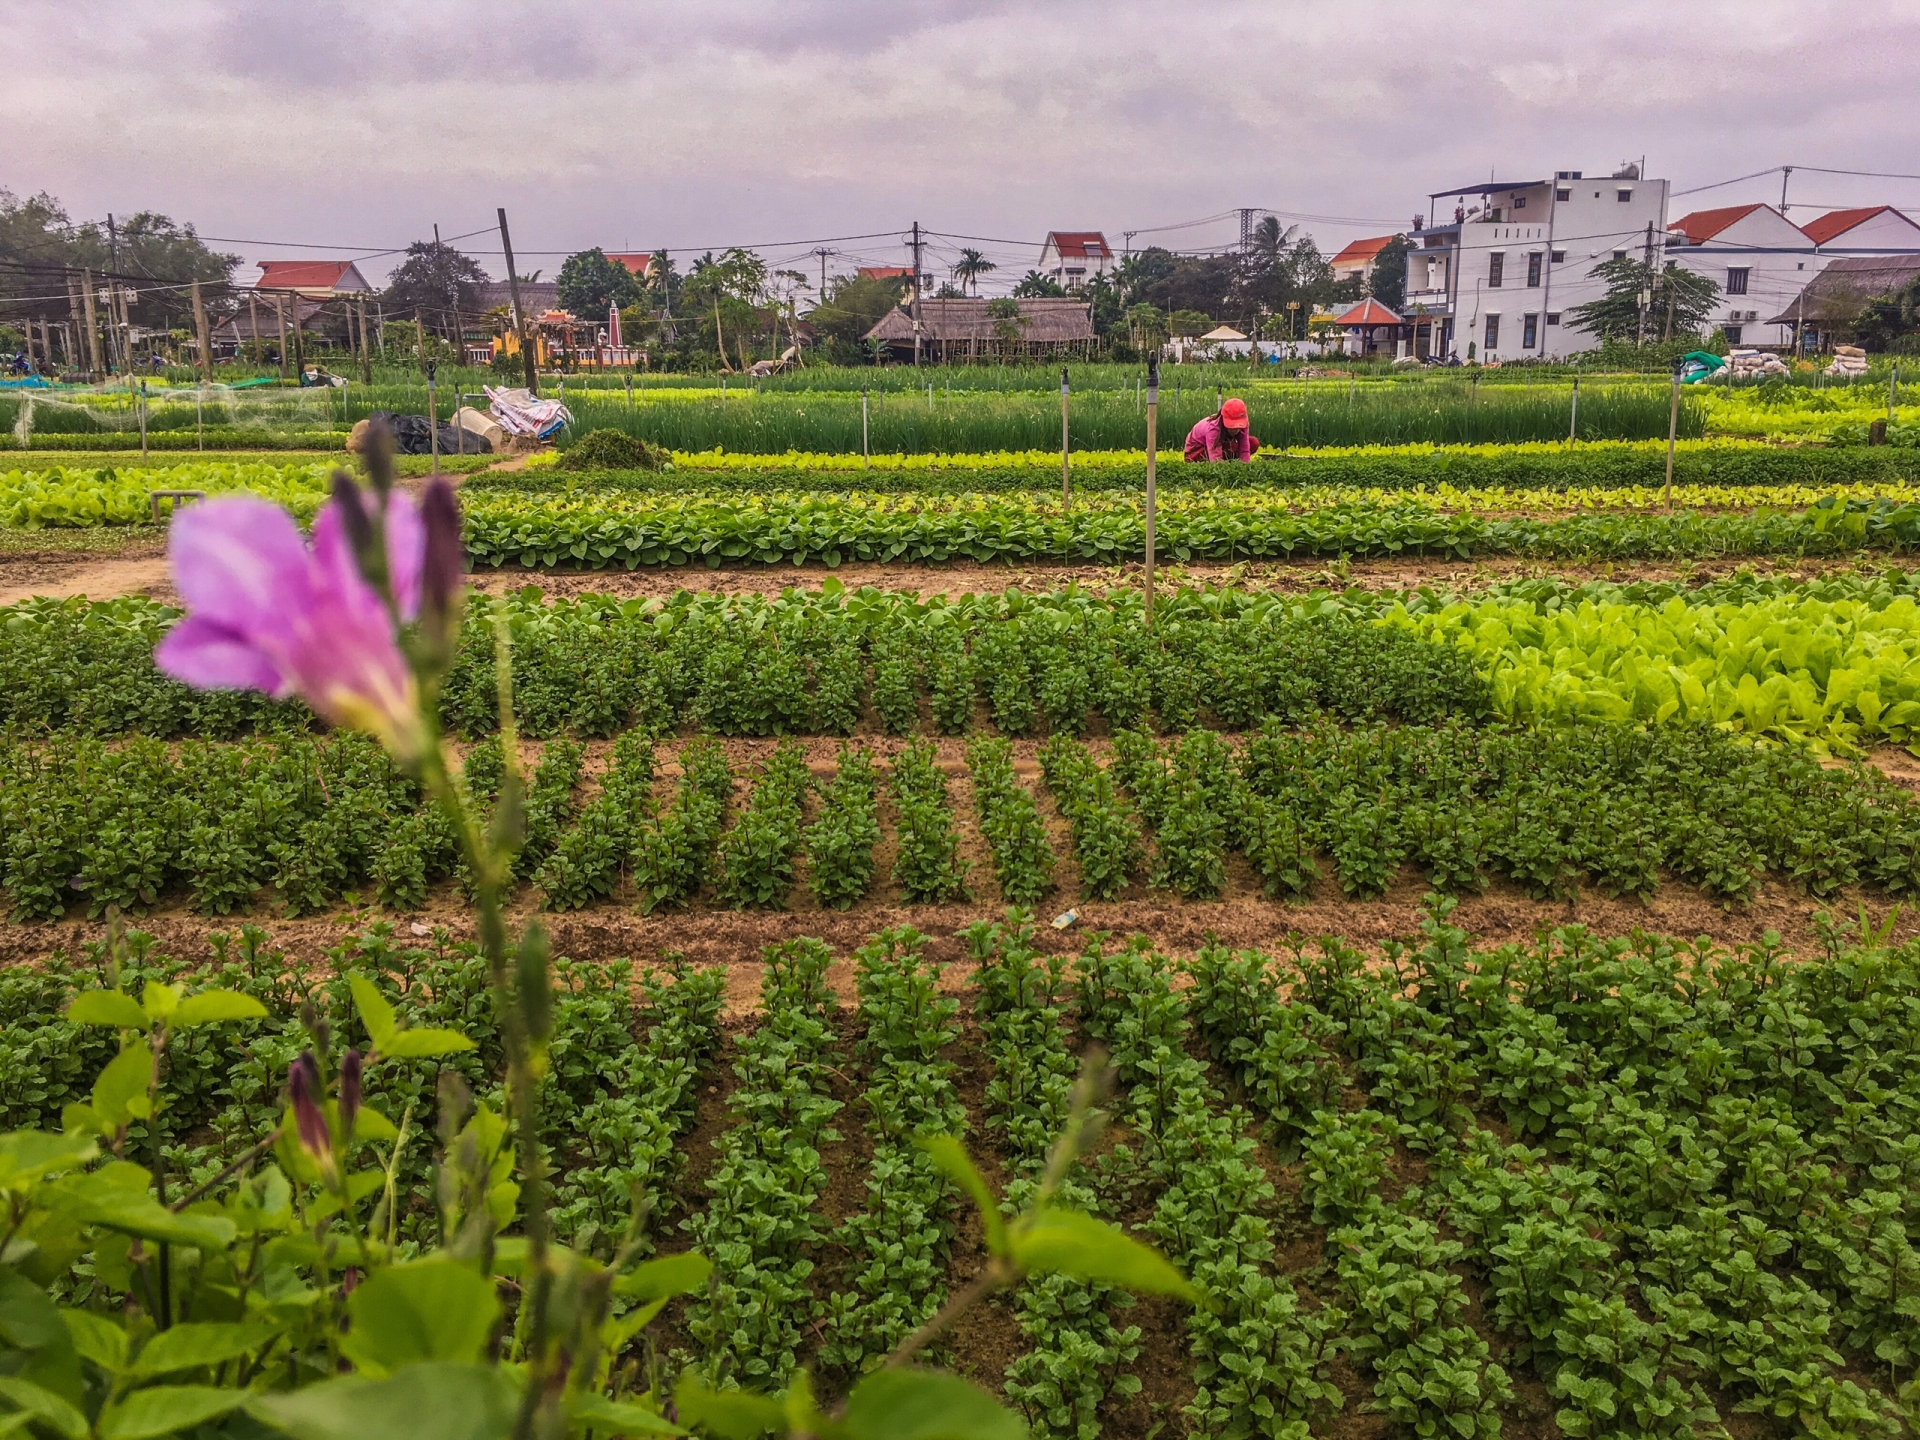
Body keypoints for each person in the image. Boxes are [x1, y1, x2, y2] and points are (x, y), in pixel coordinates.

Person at [1184, 396, 1260, 461]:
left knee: (1253, 443)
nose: (1235, 430)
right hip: (1195, 454)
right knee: (1231, 447)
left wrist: (1245, 468)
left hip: (1220, 448)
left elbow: (1244, 450)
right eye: (1232, 426)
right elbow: (1215, 458)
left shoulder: (1244, 423)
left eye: (1238, 427)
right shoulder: (1213, 428)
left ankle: (1229, 461)